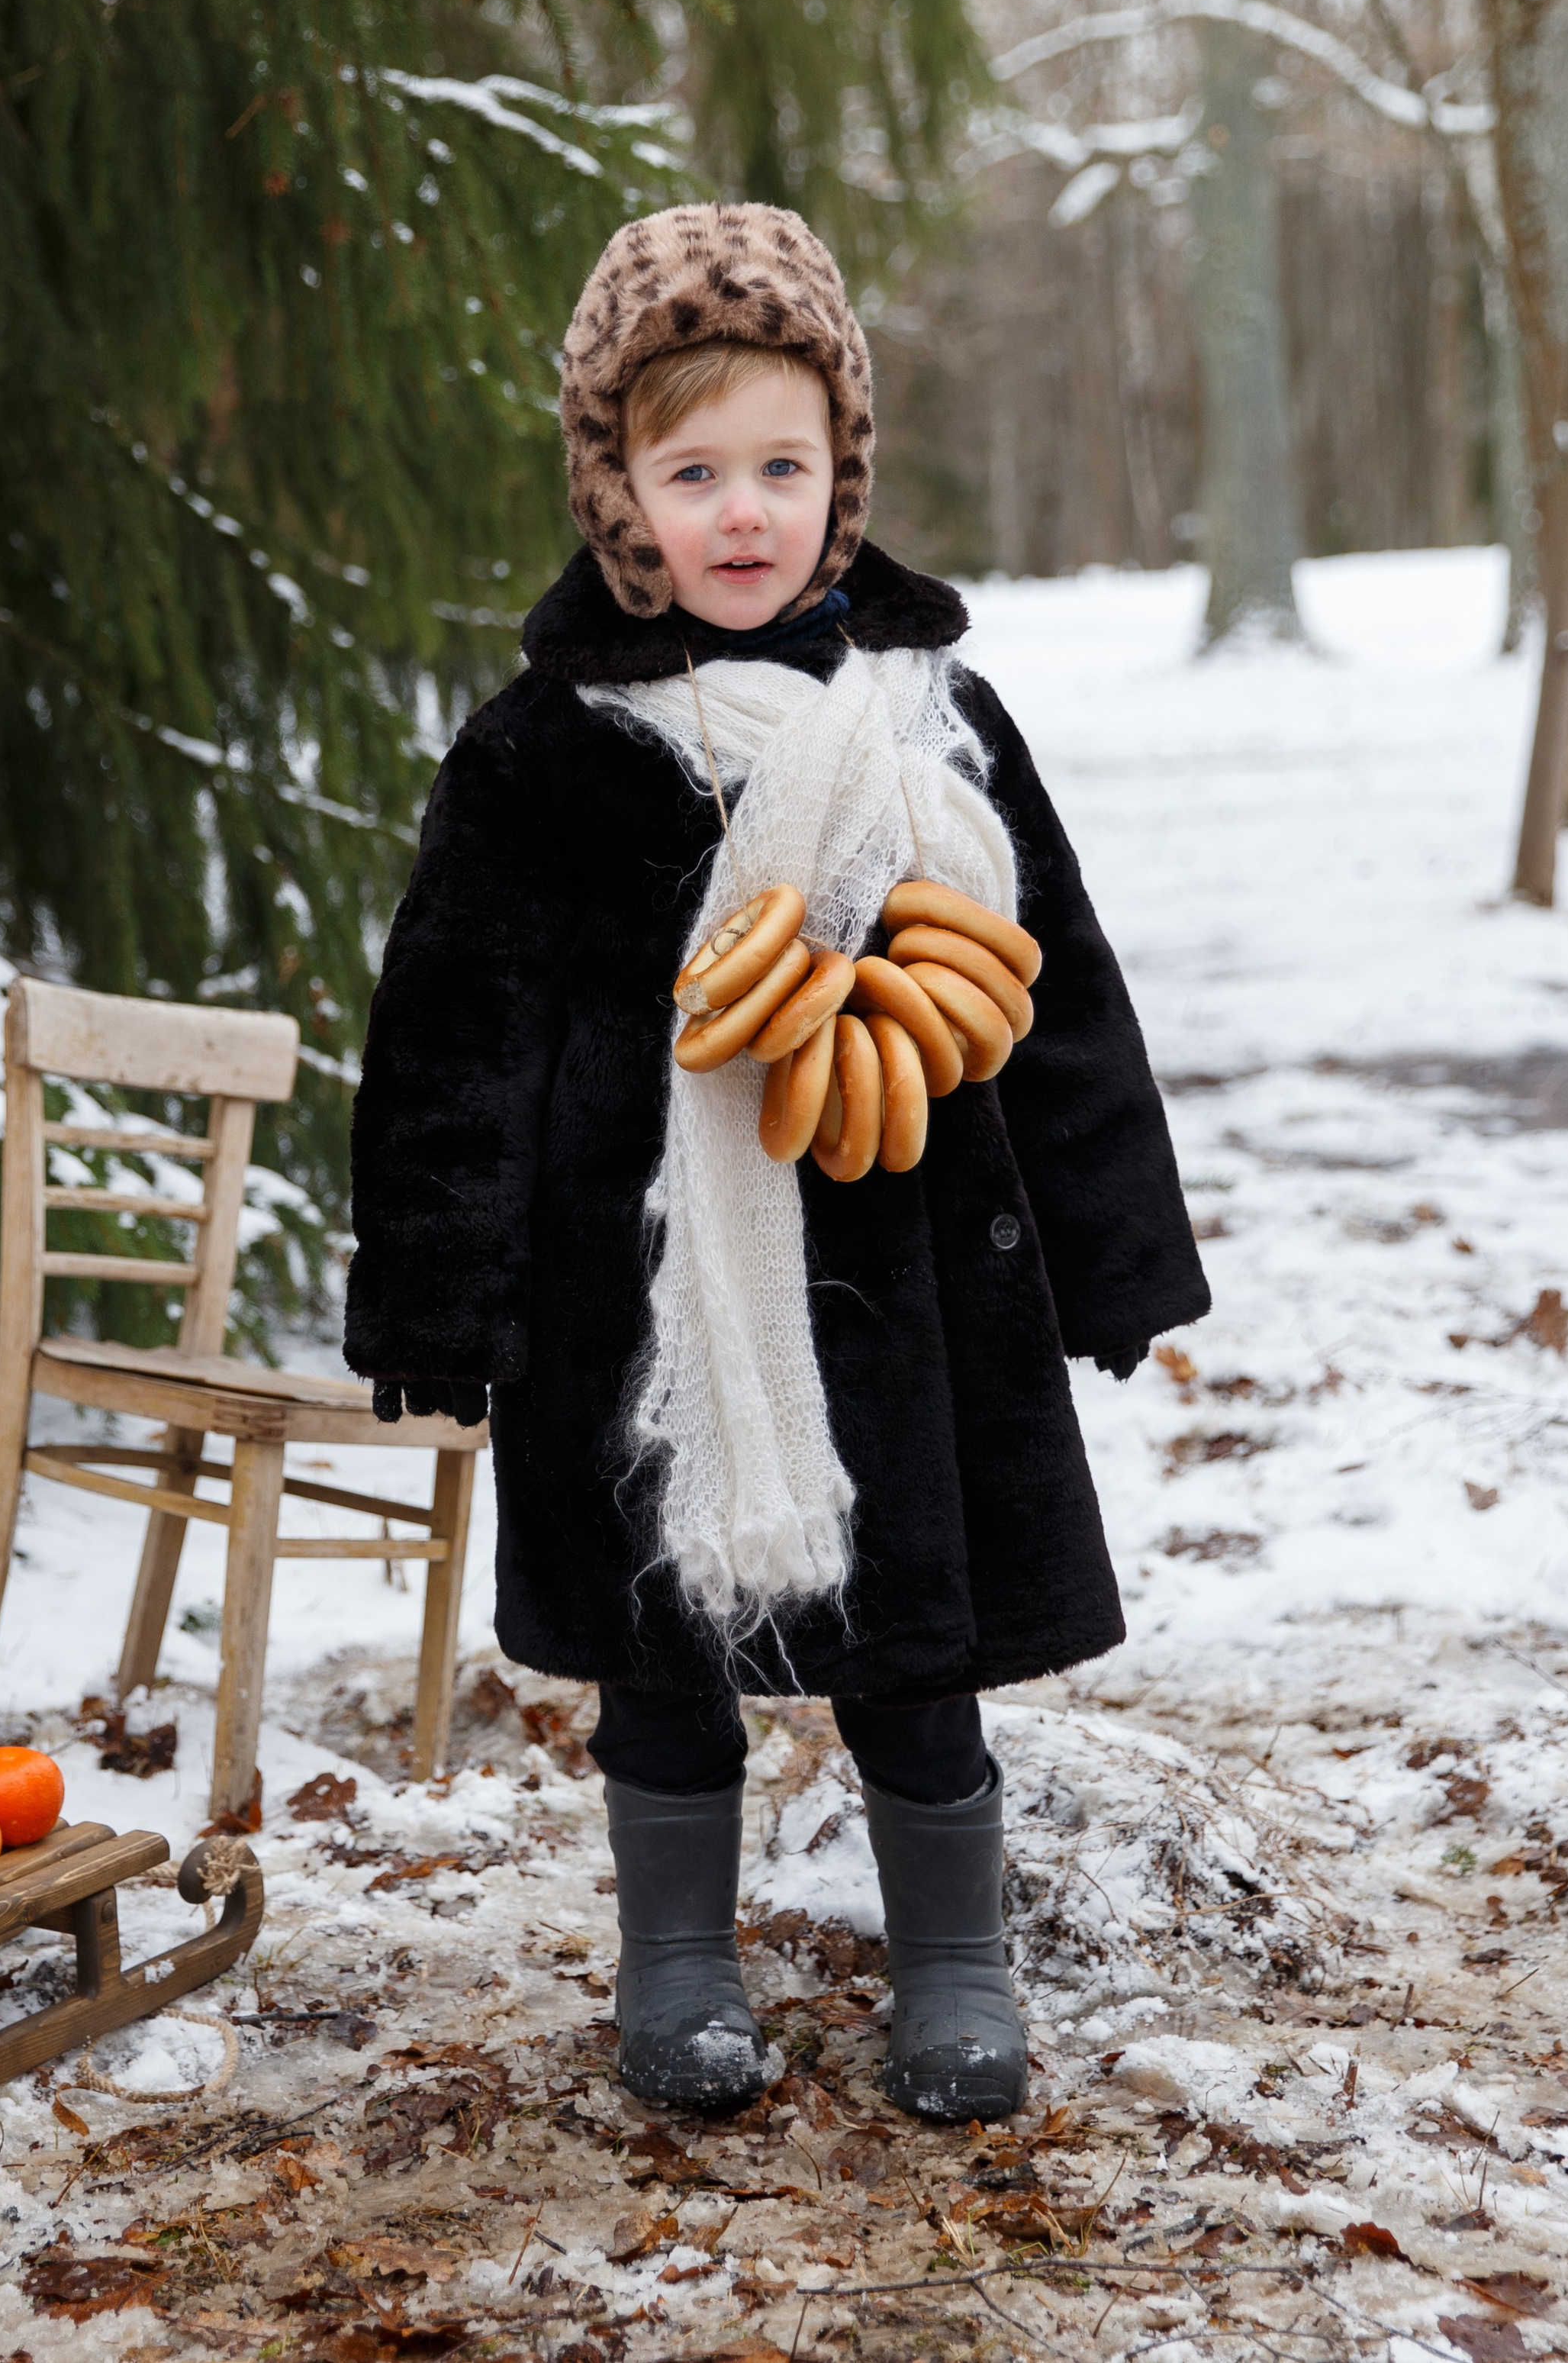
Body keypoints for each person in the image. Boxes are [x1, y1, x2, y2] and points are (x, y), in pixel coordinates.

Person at [344, 201, 1209, 2122]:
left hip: (915, 1274)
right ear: (618, 493)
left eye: (782, 467)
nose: (743, 511)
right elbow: (451, 1041)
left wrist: (1114, 1251)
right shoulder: (544, 747)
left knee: (915, 1644)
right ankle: (677, 1956)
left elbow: (1055, 994)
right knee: (664, 1640)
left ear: (842, 478)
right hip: (638, 1287)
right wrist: (437, 1292)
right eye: (692, 469)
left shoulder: (936, 721)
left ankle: (954, 1964)